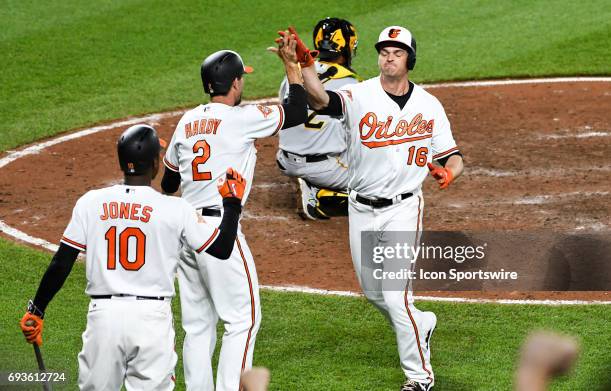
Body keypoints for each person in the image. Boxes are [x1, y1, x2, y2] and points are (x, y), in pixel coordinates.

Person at [276, 25, 464, 390]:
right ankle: (421, 324)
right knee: (374, 292)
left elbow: (453, 156)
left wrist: (448, 173)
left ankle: (419, 378)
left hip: (404, 209)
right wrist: (304, 62)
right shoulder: (358, 94)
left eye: (397, 52)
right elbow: (319, 100)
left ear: (410, 59)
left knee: (395, 294)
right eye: (384, 51)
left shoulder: (429, 104)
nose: (389, 57)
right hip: (361, 207)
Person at [20, 124, 247, 390]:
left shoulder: (91, 203)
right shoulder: (175, 209)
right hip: (151, 320)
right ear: (154, 165)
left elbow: (62, 262)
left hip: (103, 318)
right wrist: (232, 204)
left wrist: (37, 309)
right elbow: (221, 248)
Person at [160, 40, 306, 391]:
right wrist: (292, 66)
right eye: (242, 79)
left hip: (185, 232)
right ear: (236, 83)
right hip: (218, 228)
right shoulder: (243, 119)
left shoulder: (187, 121)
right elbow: (297, 112)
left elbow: (167, 183)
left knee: (197, 325)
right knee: (243, 320)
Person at [276, 17, 361, 220]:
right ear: (347, 47)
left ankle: (310, 179)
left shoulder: (294, 73)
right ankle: (320, 197)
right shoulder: (352, 84)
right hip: (321, 166)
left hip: (284, 159)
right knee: (380, 180)